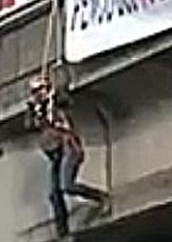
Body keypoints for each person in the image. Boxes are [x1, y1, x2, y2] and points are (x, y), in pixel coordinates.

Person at [25, 75, 108, 239]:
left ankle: (100, 197)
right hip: (55, 154)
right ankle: (62, 232)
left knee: (67, 185)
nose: (37, 94)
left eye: (39, 90)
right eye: (34, 92)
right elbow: (29, 125)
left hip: (68, 149)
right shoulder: (39, 112)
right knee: (53, 194)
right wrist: (32, 108)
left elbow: (67, 101)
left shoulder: (55, 104)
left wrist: (53, 94)